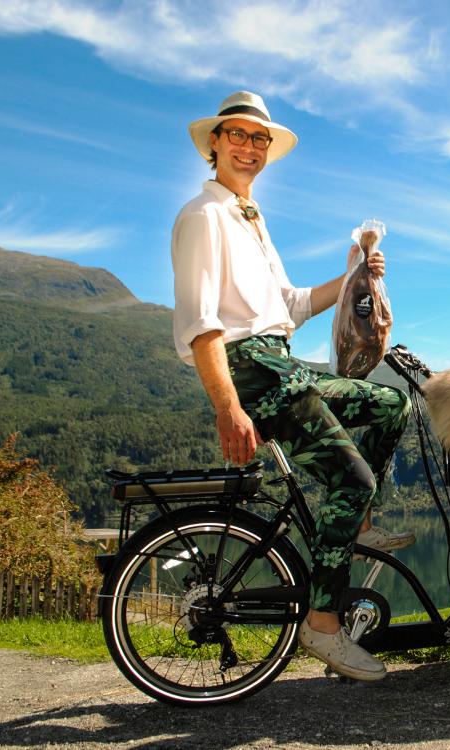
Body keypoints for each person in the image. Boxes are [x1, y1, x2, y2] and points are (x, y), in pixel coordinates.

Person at [171, 91, 413, 682]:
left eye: (260, 139)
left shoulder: (250, 219)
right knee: (351, 476)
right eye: (237, 135)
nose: (249, 147)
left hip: (281, 360)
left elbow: (291, 305)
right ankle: (323, 624)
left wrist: (355, 272)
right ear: (214, 144)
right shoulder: (203, 217)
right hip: (252, 369)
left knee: (389, 403)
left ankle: (356, 525)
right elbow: (202, 323)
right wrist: (227, 407)